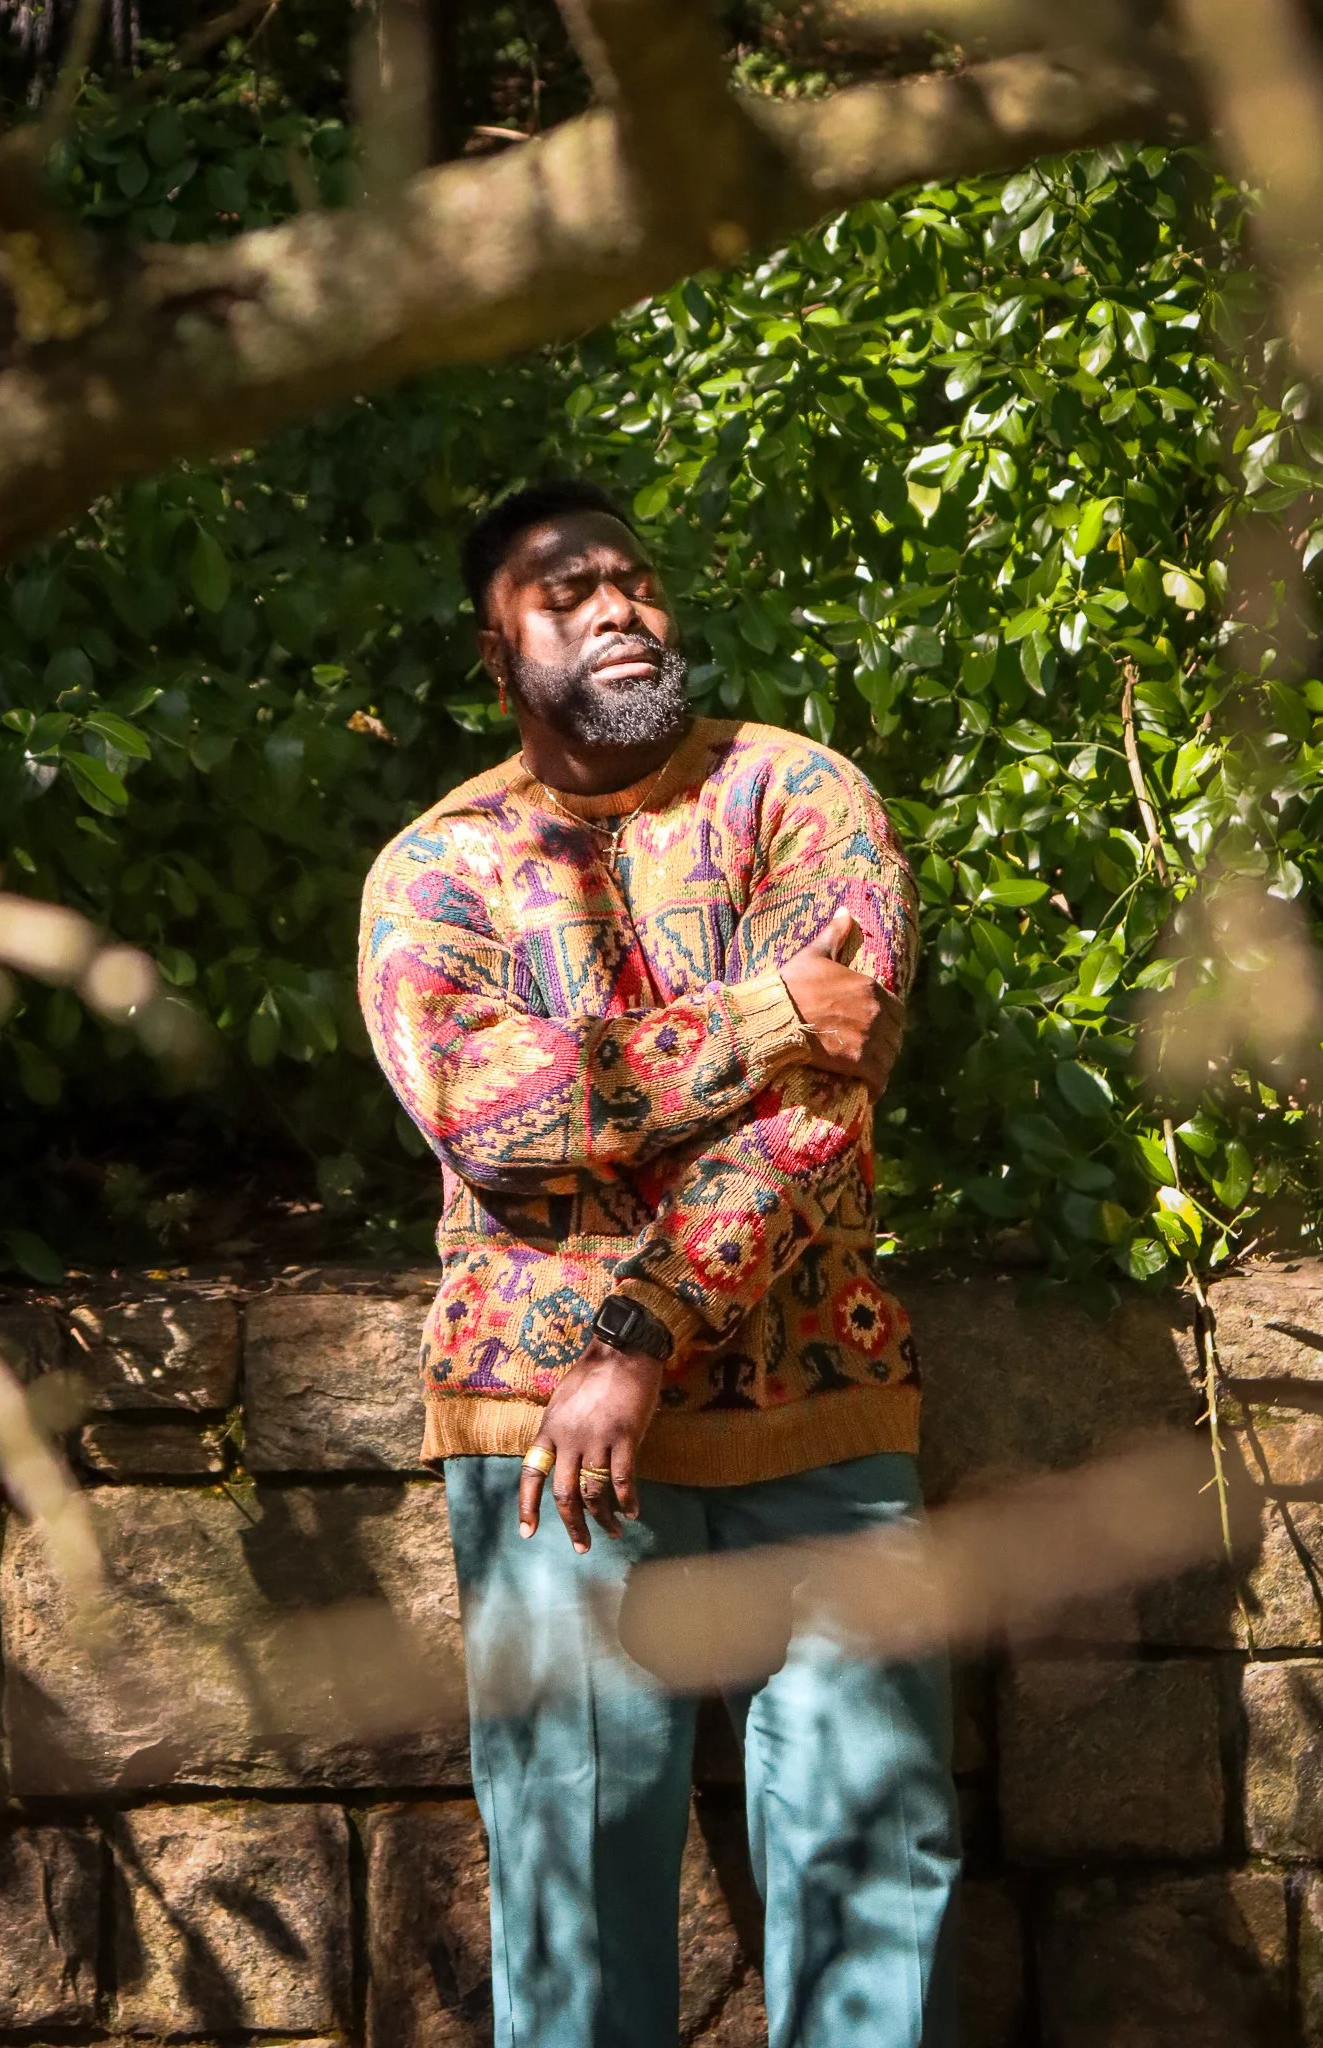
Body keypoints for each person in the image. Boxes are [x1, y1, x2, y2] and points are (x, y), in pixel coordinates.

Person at [358, 478, 959, 2048]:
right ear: (498, 660)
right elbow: (496, 1114)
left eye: (634, 582)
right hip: (541, 1430)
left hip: (814, 1393)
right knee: (574, 1856)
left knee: (876, 1844)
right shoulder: (440, 871)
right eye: (568, 595)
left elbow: (829, 1110)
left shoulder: (802, 800)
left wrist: (646, 1320)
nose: (618, 607)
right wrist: (758, 1018)